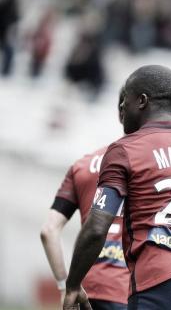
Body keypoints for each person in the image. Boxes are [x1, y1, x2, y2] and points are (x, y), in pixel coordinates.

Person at [63, 65, 171, 310]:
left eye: (125, 100)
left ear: (141, 101)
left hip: (158, 278)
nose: (121, 107)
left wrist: (73, 284)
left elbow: (97, 228)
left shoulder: (126, 149)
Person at [40, 88, 129, 309]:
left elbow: (48, 231)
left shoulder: (83, 165)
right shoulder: (157, 166)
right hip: (137, 289)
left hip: (88, 288)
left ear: (120, 113)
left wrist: (65, 286)